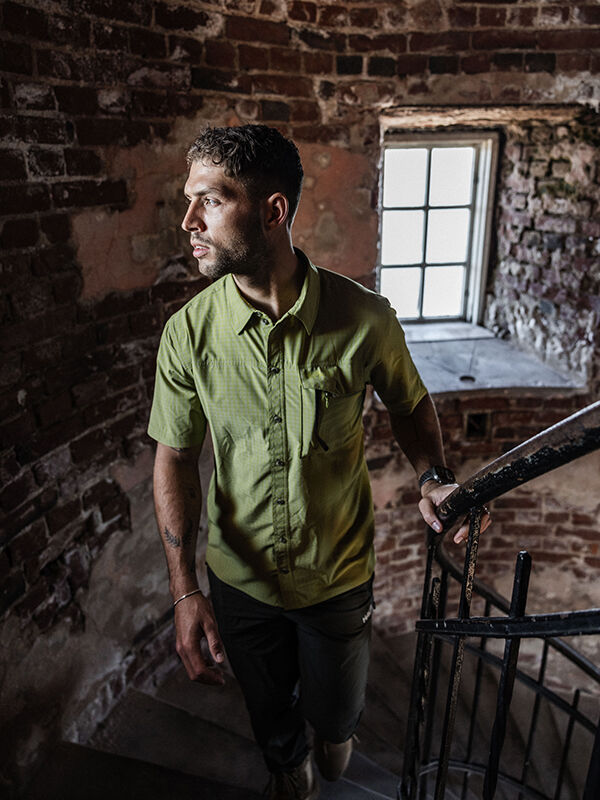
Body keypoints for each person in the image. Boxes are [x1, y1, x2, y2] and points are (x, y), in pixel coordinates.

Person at [148, 124, 487, 800]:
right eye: (189, 201)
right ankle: (286, 769)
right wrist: (186, 591)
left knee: (337, 719)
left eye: (210, 201)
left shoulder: (365, 318)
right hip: (239, 583)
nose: (188, 221)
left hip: (337, 576)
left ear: (272, 211)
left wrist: (432, 474)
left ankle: (331, 739)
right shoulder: (187, 333)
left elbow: (410, 403)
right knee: (271, 716)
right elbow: (176, 459)